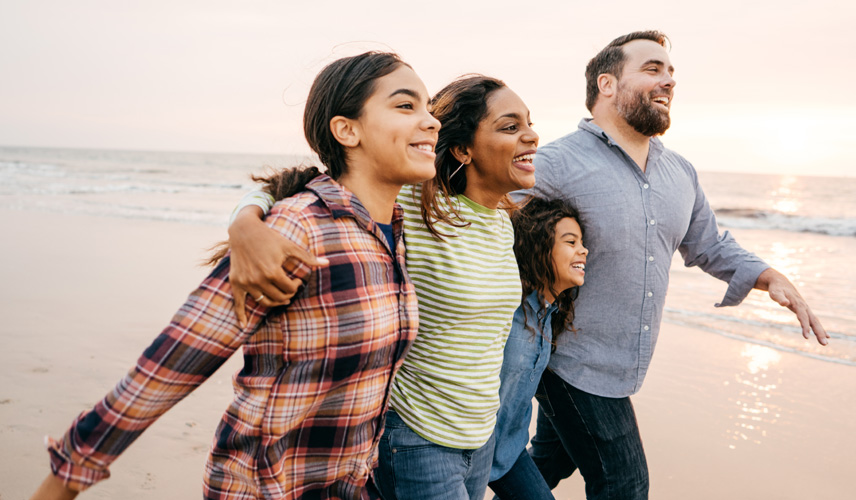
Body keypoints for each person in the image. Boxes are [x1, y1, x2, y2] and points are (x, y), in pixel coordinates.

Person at [29, 51, 441, 500]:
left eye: (428, 107)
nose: (431, 121)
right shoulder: (297, 228)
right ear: (347, 130)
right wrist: (67, 478)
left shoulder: (392, 231)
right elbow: (174, 361)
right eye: (406, 106)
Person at [523, 30, 829, 499]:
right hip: (571, 362)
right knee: (625, 485)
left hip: (623, 365)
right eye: (652, 69)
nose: (668, 81)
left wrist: (771, 277)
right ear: (606, 85)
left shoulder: (679, 172)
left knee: (546, 464)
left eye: (670, 72)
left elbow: (709, 243)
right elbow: (483, 219)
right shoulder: (558, 163)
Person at [227, 75, 540, 500]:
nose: (531, 135)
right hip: (416, 436)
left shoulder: (501, 222)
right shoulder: (415, 203)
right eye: (510, 126)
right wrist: (244, 222)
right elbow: (301, 187)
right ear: (464, 149)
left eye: (529, 123)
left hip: (478, 436)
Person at [487, 198, 587, 500]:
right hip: (472, 450)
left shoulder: (549, 315)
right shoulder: (509, 311)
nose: (583, 250)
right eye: (571, 242)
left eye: (582, 242)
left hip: (509, 453)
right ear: (541, 249)